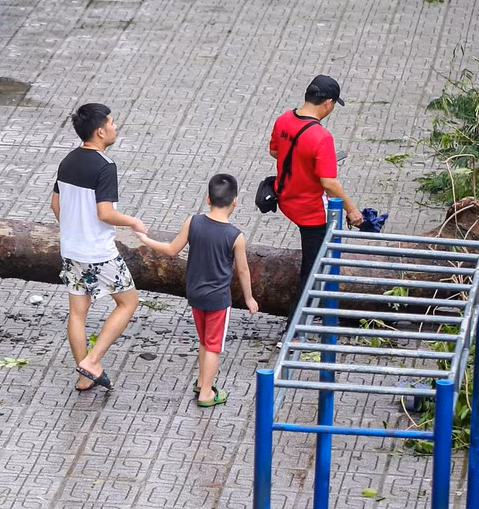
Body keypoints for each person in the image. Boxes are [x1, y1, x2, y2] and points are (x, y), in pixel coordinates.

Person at [135, 174, 259, 407]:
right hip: (218, 299)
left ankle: (202, 381)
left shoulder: (193, 221)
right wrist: (249, 298)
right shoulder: (235, 236)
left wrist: (145, 239)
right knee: (214, 345)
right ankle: (206, 394)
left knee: (204, 340)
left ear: (208, 199)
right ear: (236, 202)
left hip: (195, 293)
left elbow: (172, 250)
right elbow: (242, 270)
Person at [51, 103, 148, 392]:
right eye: (113, 122)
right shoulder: (105, 166)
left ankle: (84, 376)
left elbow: (56, 204)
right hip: (98, 251)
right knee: (129, 302)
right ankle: (93, 361)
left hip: (71, 249)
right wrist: (133, 221)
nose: (116, 127)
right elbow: (105, 213)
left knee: (78, 313)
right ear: (100, 131)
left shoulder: (68, 160)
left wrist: (74, 227)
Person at [269, 75, 363, 334]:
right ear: (329, 103)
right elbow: (329, 183)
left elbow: (276, 152)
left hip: (286, 198)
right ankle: (294, 332)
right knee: (313, 270)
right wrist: (352, 210)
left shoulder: (283, 119)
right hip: (310, 211)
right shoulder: (322, 137)